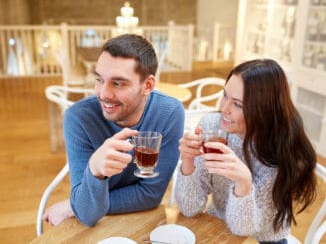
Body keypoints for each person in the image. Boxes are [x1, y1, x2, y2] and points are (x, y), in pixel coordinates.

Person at [43, 34, 185, 227]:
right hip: (95, 225)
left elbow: (150, 195)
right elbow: (87, 213)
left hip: (141, 220)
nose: (104, 94)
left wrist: (73, 205)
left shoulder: (169, 112)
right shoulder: (78, 118)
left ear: (148, 85)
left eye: (118, 83)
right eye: (99, 80)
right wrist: (95, 170)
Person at [175, 59, 317, 243]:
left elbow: (243, 230)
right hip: (218, 227)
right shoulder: (213, 127)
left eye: (238, 104)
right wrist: (188, 161)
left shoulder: (281, 153)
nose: (224, 109)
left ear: (263, 109)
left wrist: (243, 183)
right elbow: (189, 208)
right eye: (224, 95)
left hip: (262, 239)